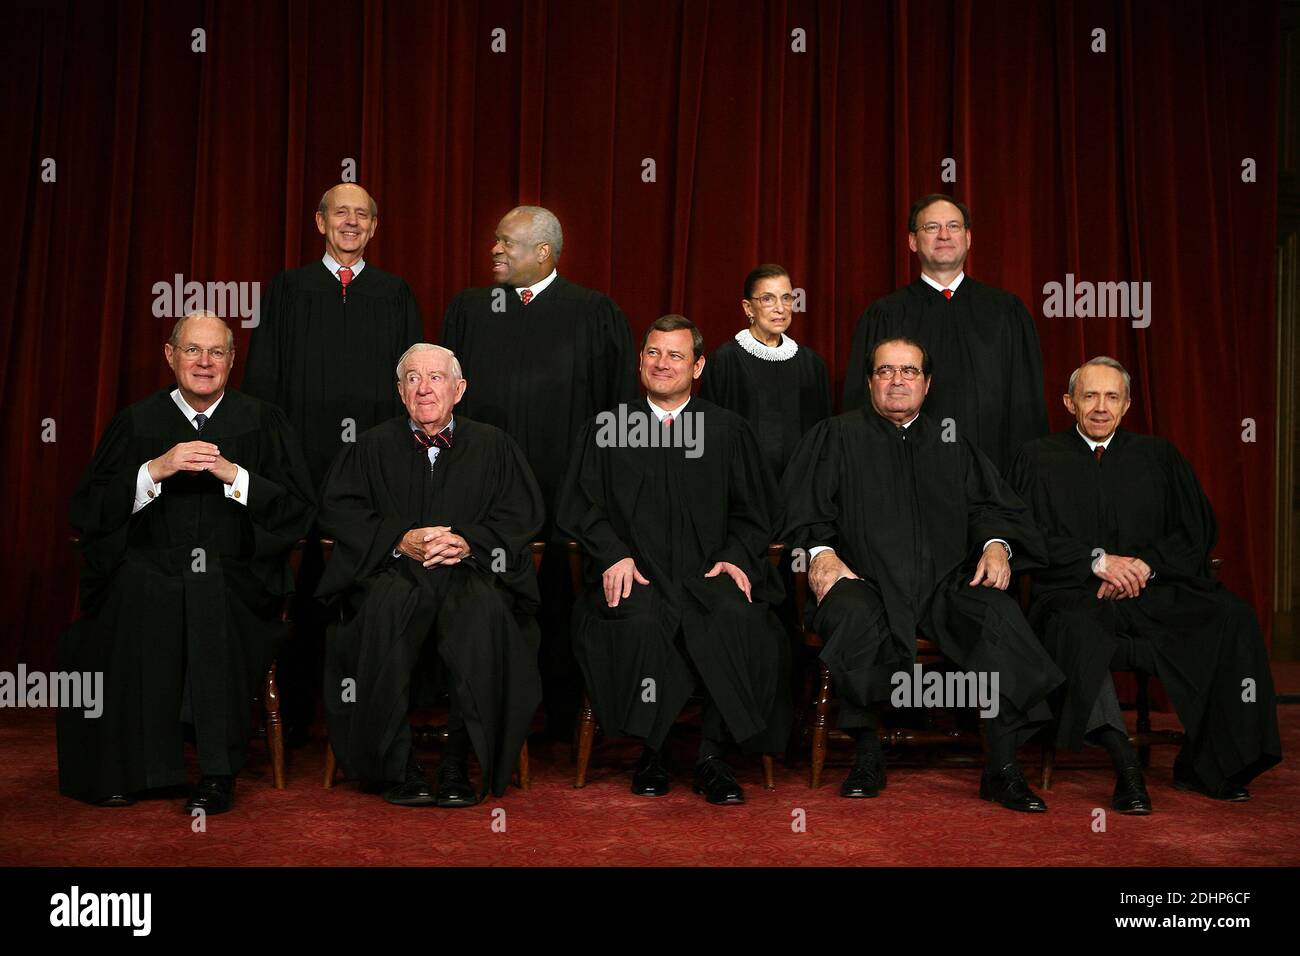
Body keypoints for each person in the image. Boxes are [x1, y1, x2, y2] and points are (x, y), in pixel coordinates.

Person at [781, 337, 1063, 810]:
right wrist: (822, 553)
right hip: (862, 580)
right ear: (870, 381)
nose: (897, 380)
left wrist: (997, 544)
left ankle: (1002, 766)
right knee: (852, 613)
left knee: (998, 616)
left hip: (945, 584)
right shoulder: (836, 436)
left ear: (927, 383)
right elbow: (802, 512)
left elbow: (994, 508)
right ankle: (867, 754)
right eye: (886, 371)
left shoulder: (952, 441)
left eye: (909, 371)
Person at [58, 312, 315, 814]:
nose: (204, 362)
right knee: (136, 588)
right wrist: (155, 469)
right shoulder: (137, 421)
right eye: (193, 350)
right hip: (148, 567)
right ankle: (136, 768)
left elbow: (299, 511)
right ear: (170, 355)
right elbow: (87, 510)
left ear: (232, 361)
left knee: (208, 588)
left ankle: (217, 773)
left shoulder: (262, 420)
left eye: (216, 352)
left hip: (233, 571)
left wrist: (233, 473)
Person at [1008, 357, 1281, 810]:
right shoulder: (1036, 457)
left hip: (1153, 589)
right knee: (1078, 631)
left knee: (1232, 616)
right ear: (1069, 402)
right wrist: (1096, 562)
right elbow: (1023, 534)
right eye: (1090, 396)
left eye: (1112, 397)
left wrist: (1144, 566)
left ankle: (1210, 762)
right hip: (1076, 590)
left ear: (1128, 405)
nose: (1100, 407)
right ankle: (1127, 768)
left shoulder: (1158, 455)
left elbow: (1195, 530)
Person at [556, 315, 789, 804]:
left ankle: (711, 756)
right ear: (640, 360)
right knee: (639, 619)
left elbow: (755, 513)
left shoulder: (727, 431)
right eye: (653, 353)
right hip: (637, 575)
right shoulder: (607, 429)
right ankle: (654, 750)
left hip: (709, 573)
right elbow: (580, 508)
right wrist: (613, 554)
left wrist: (735, 558)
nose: (662, 364)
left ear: (698, 365)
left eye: (676, 355)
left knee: (733, 616)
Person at [316, 344, 545, 807]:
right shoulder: (367, 446)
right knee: (387, 607)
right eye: (413, 379)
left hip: (470, 573)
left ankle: (457, 762)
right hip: (392, 575)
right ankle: (399, 764)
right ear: (400, 392)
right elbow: (338, 512)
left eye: (436, 378)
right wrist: (399, 539)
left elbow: (522, 515)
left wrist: (468, 542)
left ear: (458, 390)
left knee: (481, 610)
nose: (425, 389)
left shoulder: (495, 445)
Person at [441, 205, 637, 739]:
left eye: (506, 242)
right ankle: (482, 714)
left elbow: (617, 412)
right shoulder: (470, 310)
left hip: (566, 490)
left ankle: (562, 717)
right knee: (483, 593)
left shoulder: (593, 312)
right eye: (496, 241)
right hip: (484, 491)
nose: (495, 251)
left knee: (560, 600)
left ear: (544, 252)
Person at [243, 183, 423, 746]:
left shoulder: (395, 294)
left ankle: (369, 715)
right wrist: (272, 458)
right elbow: (265, 381)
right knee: (296, 585)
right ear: (319, 222)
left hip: (372, 471)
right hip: (299, 463)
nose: (351, 222)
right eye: (340, 213)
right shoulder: (289, 289)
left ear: (374, 228)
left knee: (367, 578)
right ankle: (293, 712)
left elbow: (414, 387)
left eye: (362, 215)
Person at [842, 194, 1047, 473]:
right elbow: (861, 403)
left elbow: (1027, 405)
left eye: (953, 226)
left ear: (968, 237)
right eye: (931, 227)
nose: (943, 235)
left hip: (994, 473)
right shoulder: (885, 315)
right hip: (904, 472)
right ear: (912, 241)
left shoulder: (1006, 312)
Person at [698, 263, 831, 481]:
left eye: (787, 298)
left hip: (799, 493)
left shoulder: (812, 364)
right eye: (768, 299)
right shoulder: (726, 360)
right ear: (748, 308)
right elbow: (710, 432)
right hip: (741, 492)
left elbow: (822, 439)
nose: (780, 308)